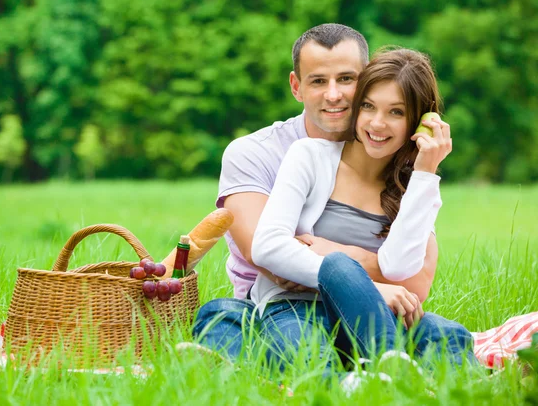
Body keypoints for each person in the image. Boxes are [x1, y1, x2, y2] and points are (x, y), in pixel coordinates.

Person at [190, 47, 477, 375]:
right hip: (297, 309)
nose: (378, 123)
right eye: (368, 106)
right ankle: (371, 379)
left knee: (449, 335)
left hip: (373, 316)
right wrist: (353, 279)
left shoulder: (414, 185)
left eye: (396, 112)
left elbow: (399, 269)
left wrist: (426, 172)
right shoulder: (309, 156)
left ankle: (441, 385)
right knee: (305, 348)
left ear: (420, 121)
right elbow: (268, 246)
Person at [217, 24, 434, 304]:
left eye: (346, 78)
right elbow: (268, 257)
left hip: (368, 308)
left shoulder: (393, 159)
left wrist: (328, 250)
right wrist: (375, 274)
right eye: (318, 81)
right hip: (270, 307)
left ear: (368, 80)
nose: (333, 95)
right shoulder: (252, 152)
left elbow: (415, 282)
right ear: (297, 87)